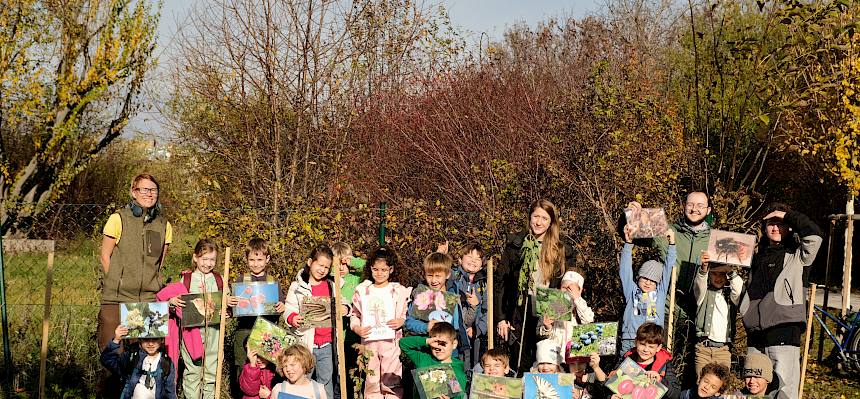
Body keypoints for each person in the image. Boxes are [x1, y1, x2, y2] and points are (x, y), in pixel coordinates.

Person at [740, 203, 822, 399]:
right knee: (755, 392)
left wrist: (787, 214)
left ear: (789, 225)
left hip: (784, 331)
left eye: (780, 223)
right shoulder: (755, 256)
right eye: (770, 223)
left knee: (783, 391)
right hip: (755, 334)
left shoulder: (799, 255)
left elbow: (815, 234)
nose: (775, 228)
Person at [495, 199, 576, 372]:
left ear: (551, 222)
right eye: (535, 216)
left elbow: (569, 284)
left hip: (549, 310)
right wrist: (501, 317)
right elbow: (501, 283)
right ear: (529, 218)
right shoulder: (515, 246)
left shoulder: (562, 250)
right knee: (520, 359)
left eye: (544, 218)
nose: (538, 222)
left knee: (547, 361)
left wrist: (561, 310)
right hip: (520, 310)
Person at [98, 173, 172, 351]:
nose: (149, 194)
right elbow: (104, 256)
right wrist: (118, 282)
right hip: (116, 299)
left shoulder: (164, 225)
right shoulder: (118, 219)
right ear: (134, 192)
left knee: (144, 359)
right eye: (144, 189)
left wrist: (151, 283)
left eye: (153, 190)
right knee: (113, 357)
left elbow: (159, 262)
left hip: (147, 300)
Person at [157, 239, 224, 399]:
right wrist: (172, 302)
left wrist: (227, 309)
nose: (208, 264)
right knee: (193, 371)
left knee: (210, 372)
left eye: (212, 260)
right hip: (191, 334)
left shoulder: (219, 280)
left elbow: (224, 302)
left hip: (214, 335)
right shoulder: (187, 279)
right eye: (204, 259)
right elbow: (169, 298)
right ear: (195, 258)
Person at [350, 247, 411, 399]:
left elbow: (406, 313)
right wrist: (357, 328)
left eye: (384, 269)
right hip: (369, 343)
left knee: (392, 379)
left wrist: (401, 321)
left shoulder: (398, 291)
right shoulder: (363, 290)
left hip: (391, 343)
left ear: (391, 270)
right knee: (371, 380)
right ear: (370, 268)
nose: (379, 273)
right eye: (376, 269)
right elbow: (355, 314)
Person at [228, 238, 286, 395]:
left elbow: (280, 305)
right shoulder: (241, 281)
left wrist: (282, 306)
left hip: (268, 330)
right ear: (246, 259)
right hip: (245, 330)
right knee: (243, 366)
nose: (256, 263)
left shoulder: (273, 282)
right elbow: (232, 307)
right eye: (252, 259)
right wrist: (230, 302)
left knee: (270, 369)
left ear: (267, 259)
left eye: (259, 259)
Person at [284, 245, 342, 399]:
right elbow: (289, 309)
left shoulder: (332, 286)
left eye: (326, 267)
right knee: (303, 381)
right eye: (320, 265)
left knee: (326, 381)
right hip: (305, 345)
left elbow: (345, 303)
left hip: (327, 345)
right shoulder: (298, 286)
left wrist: (344, 309)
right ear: (310, 262)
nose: (322, 270)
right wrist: (292, 318)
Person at [619, 227, 676, 355]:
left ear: (658, 283)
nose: (648, 282)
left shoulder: (660, 293)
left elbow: (668, 268)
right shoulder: (632, 291)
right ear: (638, 278)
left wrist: (672, 244)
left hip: (652, 342)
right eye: (644, 277)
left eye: (653, 280)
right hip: (630, 339)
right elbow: (625, 270)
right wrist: (628, 244)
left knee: (649, 373)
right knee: (625, 373)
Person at [404, 252, 471, 357]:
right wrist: (426, 327)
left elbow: (457, 326)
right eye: (429, 276)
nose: (434, 280)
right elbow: (409, 322)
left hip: (450, 353)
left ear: (448, 274)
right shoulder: (421, 295)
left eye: (438, 276)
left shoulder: (453, 295)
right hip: (426, 352)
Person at [692, 253, 743, 377]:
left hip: (723, 350)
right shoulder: (703, 294)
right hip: (703, 348)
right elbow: (700, 283)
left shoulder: (731, 296)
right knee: (702, 382)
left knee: (721, 385)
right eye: (714, 273)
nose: (718, 278)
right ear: (709, 275)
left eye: (722, 274)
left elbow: (738, 287)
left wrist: (730, 270)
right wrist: (704, 268)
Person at [100, 325, 176, 399]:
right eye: (146, 339)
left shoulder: (166, 362)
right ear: (140, 340)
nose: (150, 344)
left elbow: (170, 390)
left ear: (162, 340)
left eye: (155, 339)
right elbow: (107, 360)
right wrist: (116, 339)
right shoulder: (131, 357)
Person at [399, 322, 468, 399]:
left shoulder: (456, 371)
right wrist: (426, 341)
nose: (438, 347)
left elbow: (458, 396)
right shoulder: (423, 359)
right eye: (434, 343)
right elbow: (403, 344)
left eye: (443, 343)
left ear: (454, 344)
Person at [448, 242, 489, 372]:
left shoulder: (484, 283)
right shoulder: (453, 277)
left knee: (474, 365)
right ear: (460, 259)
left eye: (478, 259)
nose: (473, 261)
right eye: (470, 257)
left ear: (482, 264)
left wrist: (479, 329)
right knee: (455, 364)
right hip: (454, 331)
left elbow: (487, 310)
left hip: (474, 333)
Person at [614, 323, 681, 399]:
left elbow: (676, 394)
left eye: (651, 347)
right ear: (636, 342)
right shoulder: (626, 360)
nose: (646, 350)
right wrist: (611, 396)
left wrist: (661, 380)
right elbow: (610, 385)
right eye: (642, 344)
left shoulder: (665, 365)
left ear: (658, 347)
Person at [537, 269, 595, 350]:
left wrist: (576, 299)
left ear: (580, 290)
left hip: (574, 356)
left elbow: (589, 320)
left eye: (571, 288)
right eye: (564, 287)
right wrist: (547, 327)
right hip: (554, 355)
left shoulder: (582, 305)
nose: (567, 291)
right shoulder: (551, 305)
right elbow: (539, 334)